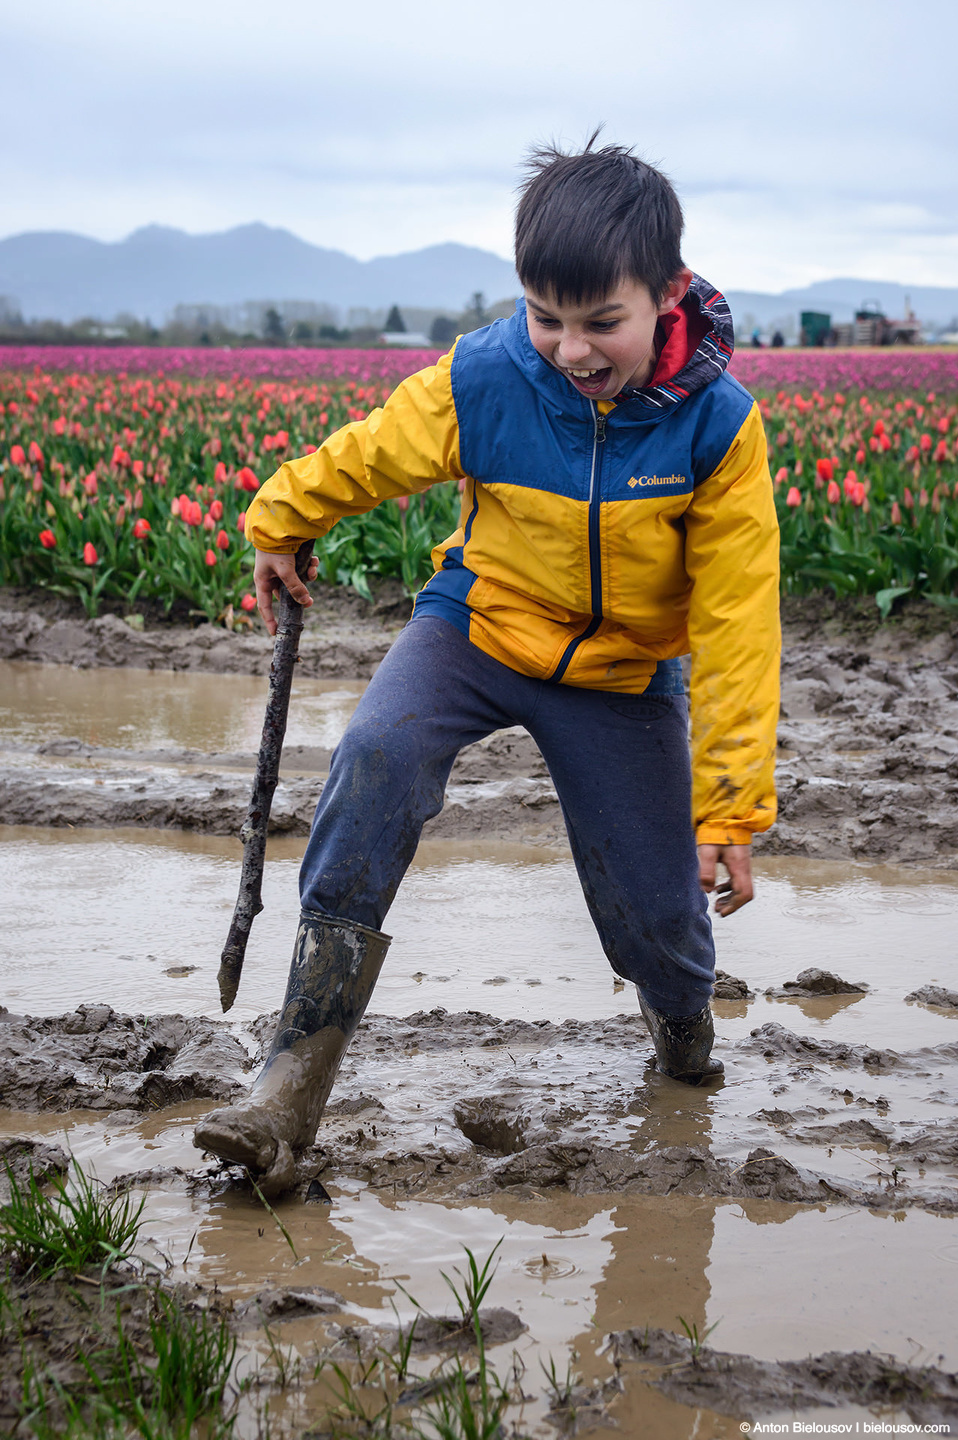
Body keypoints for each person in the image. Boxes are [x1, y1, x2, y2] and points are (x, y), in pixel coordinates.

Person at [194, 139, 781, 1194]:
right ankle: (290, 1086)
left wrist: (728, 807)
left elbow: (739, 618)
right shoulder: (488, 375)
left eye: (602, 321)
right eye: (546, 316)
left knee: (657, 921)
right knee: (375, 756)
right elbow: (373, 449)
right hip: (478, 625)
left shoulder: (719, 428)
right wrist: (279, 518)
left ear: (670, 294)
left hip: (623, 673)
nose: (569, 348)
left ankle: (682, 1030)